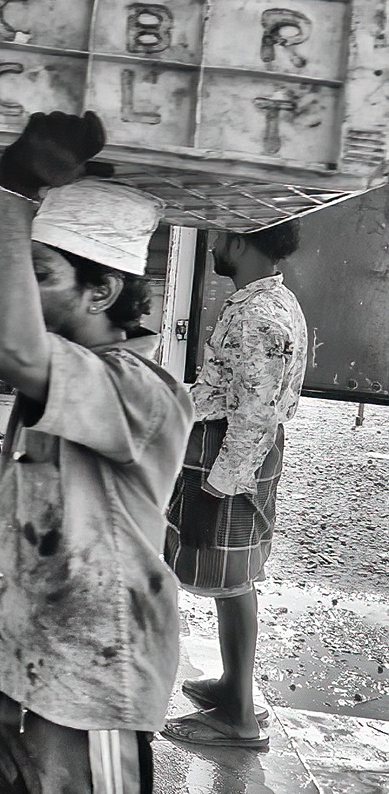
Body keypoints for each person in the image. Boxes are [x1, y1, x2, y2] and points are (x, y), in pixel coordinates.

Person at [0, 111, 193, 793]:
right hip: (17, 680)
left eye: (42, 275)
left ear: (102, 290)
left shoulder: (142, 393)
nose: (24, 293)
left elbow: (13, 347)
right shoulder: (56, 386)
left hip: (94, 700)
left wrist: (14, 192)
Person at [162, 222, 307, 752]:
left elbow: (253, 417)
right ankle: (231, 687)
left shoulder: (258, 316)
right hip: (226, 450)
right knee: (230, 578)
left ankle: (240, 718)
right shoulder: (266, 300)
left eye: (221, 238)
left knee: (233, 578)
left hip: (231, 457)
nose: (216, 247)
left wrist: (216, 489)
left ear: (242, 243)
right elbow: (233, 394)